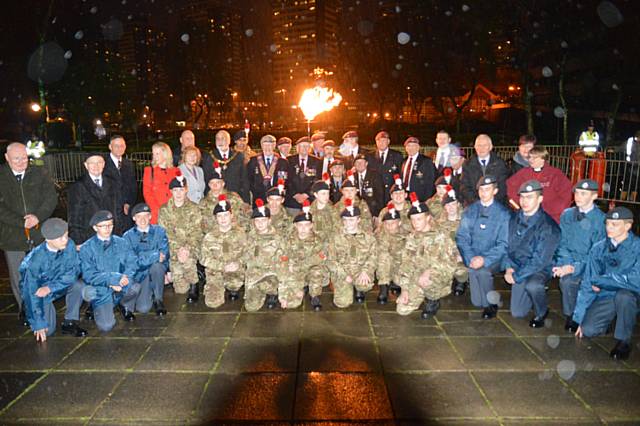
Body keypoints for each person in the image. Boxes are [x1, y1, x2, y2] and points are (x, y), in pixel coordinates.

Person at [0, 142, 57, 324]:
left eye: (24, 157)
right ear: (7, 158)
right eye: (16, 158)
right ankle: (25, 308)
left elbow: (51, 198)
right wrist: (21, 222)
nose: (21, 161)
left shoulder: (39, 173)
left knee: (41, 271)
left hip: (37, 231)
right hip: (12, 234)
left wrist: (37, 217)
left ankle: (42, 306)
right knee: (18, 274)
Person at [573, 207, 640, 360]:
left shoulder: (637, 247)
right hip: (607, 295)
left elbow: (635, 281)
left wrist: (603, 281)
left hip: (633, 295)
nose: (609, 227)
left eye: (615, 224)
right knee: (588, 330)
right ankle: (612, 319)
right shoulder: (599, 248)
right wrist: (580, 318)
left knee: (624, 297)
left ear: (627, 226)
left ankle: (624, 341)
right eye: (608, 223)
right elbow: (588, 283)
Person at [502, 180, 560, 327]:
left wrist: (516, 276)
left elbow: (540, 260)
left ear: (540, 199)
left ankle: (542, 311)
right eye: (522, 197)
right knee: (517, 312)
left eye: (529, 197)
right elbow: (507, 244)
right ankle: (528, 292)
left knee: (533, 286)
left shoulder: (548, 226)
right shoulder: (514, 218)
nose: (524, 201)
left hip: (539, 269)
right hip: (517, 265)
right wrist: (509, 266)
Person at [19, 218, 87, 342]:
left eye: (66, 235)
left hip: (55, 286)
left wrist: (51, 287)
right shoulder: (35, 261)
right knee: (48, 330)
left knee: (79, 285)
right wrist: (38, 323)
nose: (65, 240)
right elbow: (30, 291)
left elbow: (74, 272)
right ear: (48, 240)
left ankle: (70, 322)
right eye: (60, 238)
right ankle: (26, 309)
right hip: (40, 292)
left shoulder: (69, 245)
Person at [553, 179, 606, 332]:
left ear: (594, 196)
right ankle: (571, 315)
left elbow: (596, 255)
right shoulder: (567, 214)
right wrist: (566, 264)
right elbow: (561, 243)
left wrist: (574, 268)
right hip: (570, 261)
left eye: (583, 193)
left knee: (584, 283)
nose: (578, 196)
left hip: (591, 265)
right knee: (567, 282)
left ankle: (587, 314)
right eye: (576, 192)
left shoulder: (601, 220)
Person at [456, 176, 510, 319]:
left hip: (493, 258)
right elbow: (462, 237)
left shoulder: (503, 214)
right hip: (473, 257)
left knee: (483, 272)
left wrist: (484, 259)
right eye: (481, 189)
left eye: (487, 189)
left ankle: (492, 304)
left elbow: (504, 244)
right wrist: (470, 257)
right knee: (476, 302)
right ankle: (488, 298)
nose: (484, 193)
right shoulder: (470, 210)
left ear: (495, 191)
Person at [80, 210, 141, 332]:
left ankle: (123, 305)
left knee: (135, 287)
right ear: (95, 228)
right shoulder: (87, 247)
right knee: (106, 326)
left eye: (110, 225)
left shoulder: (121, 242)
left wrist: (125, 277)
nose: (108, 229)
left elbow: (132, 262)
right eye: (103, 226)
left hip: (122, 284)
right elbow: (89, 275)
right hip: (101, 289)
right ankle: (95, 306)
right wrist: (113, 280)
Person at [396, 195, 457, 318]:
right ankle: (420, 292)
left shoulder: (441, 235)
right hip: (417, 276)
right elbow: (406, 263)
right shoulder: (412, 237)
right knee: (402, 309)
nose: (415, 223)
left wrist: (429, 272)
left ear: (428, 218)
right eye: (413, 220)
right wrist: (405, 290)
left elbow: (450, 263)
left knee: (428, 282)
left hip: (437, 275)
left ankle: (433, 299)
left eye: (419, 219)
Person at [158, 175, 202, 303]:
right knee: (181, 290)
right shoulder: (164, 209)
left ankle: (195, 284)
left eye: (181, 190)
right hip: (173, 249)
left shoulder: (194, 208)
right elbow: (164, 234)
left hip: (191, 247)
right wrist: (178, 250)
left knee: (187, 261)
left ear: (186, 190)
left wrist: (186, 249)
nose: (178, 193)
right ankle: (193, 272)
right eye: (175, 190)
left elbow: (196, 232)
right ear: (171, 191)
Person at [328, 198, 377, 308]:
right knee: (342, 303)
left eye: (352, 220)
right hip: (343, 273)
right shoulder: (335, 238)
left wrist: (365, 271)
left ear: (358, 220)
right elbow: (331, 260)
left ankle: (358, 288)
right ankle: (347, 287)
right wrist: (344, 275)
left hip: (360, 271)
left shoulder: (368, 237)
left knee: (365, 285)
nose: (348, 223)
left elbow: (373, 256)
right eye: (345, 220)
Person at [200, 195, 247, 308]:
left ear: (231, 215)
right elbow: (203, 258)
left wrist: (238, 263)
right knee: (212, 303)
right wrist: (222, 266)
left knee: (234, 285)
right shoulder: (210, 236)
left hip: (235, 270)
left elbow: (248, 253)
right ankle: (216, 288)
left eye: (226, 215)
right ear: (215, 218)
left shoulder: (240, 234)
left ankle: (231, 288)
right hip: (215, 272)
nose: (223, 219)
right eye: (219, 216)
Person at [280, 206, 330, 311]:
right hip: (294, 273)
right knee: (292, 304)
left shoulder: (318, 240)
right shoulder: (288, 241)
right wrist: (283, 297)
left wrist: (298, 266)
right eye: (300, 225)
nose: (303, 228)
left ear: (311, 225)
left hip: (309, 270)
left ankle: (315, 295)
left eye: (307, 225)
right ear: (295, 226)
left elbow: (318, 259)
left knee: (316, 270)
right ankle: (301, 288)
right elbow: (284, 261)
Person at [123, 203, 169, 316]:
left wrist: (143, 256)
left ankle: (158, 299)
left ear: (150, 216)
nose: (142, 219)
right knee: (143, 308)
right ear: (134, 218)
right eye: (139, 216)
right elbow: (132, 262)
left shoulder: (160, 231)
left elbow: (164, 256)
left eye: (146, 215)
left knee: (157, 266)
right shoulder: (127, 236)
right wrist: (154, 255)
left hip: (155, 272)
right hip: (139, 275)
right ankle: (147, 293)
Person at [506, 145, 572, 223]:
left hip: (550, 218)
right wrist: (521, 204)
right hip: (527, 216)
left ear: (543, 159)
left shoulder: (555, 174)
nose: (531, 160)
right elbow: (510, 186)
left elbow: (566, 197)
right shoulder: (523, 173)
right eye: (530, 157)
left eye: (534, 158)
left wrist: (545, 209)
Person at [242, 199, 286, 311]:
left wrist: (284, 294)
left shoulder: (278, 238)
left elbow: (284, 263)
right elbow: (244, 257)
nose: (260, 223)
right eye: (257, 221)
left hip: (272, 275)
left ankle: (273, 293)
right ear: (253, 222)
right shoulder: (249, 237)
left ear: (269, 220)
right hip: (255, 275)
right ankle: (260, 290)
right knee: (251, 307)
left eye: (263, 220)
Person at [68, 154, 122, 244]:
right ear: (86, 165)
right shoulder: (78, 186)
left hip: (111, 234)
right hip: (89, 237)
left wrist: (119, 234)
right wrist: (77, 241)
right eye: (92, 163)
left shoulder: (113, 183)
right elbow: (75, 217)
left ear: (104, 164)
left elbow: (118, 210)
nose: (96, 166)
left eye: (99, 162)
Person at [460, 134, 510, 207]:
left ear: (490, 147)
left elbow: (503, 187)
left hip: (496, 204)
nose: (481, 148)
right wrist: (478, 203)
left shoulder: (500, 164)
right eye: (479, 145)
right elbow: (464, 187)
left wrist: (490, 203)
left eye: (485, 145)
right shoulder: (467, 164)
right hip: (474, 204)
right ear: (475, 147)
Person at [199, 165, 251, 233]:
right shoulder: (203, 202)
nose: (215, 185)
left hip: (234, 234)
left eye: (218, 182)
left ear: (223, 183)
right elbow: (200, 223)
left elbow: (247, 213)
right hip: (213, 237)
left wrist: (242, 229)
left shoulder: (234, 197)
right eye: (212, 183)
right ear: (209, 185)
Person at [436, 190, 469, 296]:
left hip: (461, 256)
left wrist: (461, 254)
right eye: (447, 205)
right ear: (444, 207)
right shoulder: (438, 223)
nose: (450, 207)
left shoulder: (466, 221)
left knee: (461, 272)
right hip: (444, 256)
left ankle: (461, 281)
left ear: (458, 204)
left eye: (453, 204)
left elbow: (472, 242)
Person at [375, 202, 409, 304]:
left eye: (393, 223)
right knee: (383, 256)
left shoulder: (407, 236)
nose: (389, 226)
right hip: (384, 269)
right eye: (387, 223)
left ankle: (397, 284)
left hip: (400, 269)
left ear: (399, 223)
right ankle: (383, 288)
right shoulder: (378, 235)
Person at [103, 135, 137, 231]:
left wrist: (128, 203)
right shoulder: (103, 164)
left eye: (122, 145)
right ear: (110, 147)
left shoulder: (129, 164)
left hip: (126, 211)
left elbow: (133, 187)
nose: (119, 148)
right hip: (109, 209)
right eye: (116, 145)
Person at [143, 142, 179, 224]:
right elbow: (147, 193)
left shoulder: (176, 171)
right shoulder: (149, 171)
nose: (154, 157)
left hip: (173, 212)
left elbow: (180, 190)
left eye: (157, 153)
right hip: (156, 214)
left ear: (165, 154)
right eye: (153, 154)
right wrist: (158, 210)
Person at [285, 136, 322, 215]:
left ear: (310, 148)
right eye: (302, 146)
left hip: (310, 201)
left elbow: (317, 180)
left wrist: (306, 194)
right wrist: (295, 194)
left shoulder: (317, 161)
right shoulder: (288, 160)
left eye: (307, 146)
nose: (304, 148)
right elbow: (286, 180)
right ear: (297, 148)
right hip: (292, 201)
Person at [211, 130, 250, 203]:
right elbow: (207, 179)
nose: (220, 141)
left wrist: (246, 201)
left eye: (223, 138)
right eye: (217, 139)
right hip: (217, 200)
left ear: (229, 141)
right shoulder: (209, 157)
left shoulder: (238, 156)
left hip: (236, 199)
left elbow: (244, 180)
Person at [247, 134, 289, 203]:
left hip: (276, 199)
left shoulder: (283, 162)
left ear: (274, 146)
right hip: (259, 198)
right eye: (265, 145)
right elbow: (249, 179)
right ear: (261, 146)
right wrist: (254, 191)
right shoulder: (253, 161)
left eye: (270, 145)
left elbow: (285, 180)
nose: (267, 148)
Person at [366, 131, 404, 206]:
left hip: (391, 193)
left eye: (384, 140)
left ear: (388, 141)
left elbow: (401, 173)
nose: (381, 143)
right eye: (379, 140)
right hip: (376, 194)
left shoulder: (397, 155)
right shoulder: (370, 156)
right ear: (376, 142)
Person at [400, 136, 436, 202]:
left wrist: (427, 199)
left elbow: (431, 181)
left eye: (414, 146)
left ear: (418, 147)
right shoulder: (404, 161)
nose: (411, 148)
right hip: (405, 196)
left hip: (420, 197)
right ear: (405, 148)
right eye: (409, 146)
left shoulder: (426, 161)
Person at [353, 154, 385, 220]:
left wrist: (377, 214)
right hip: (356, 213)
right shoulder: (352, 177)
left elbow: (380, 196)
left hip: (372, 212)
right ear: (354, 165)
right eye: (357, 162)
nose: (359, 164)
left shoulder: (375, 175)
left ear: (366, 163)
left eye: (362, 162)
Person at [309, 178, 337, 242]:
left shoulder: (334, 211)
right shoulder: (309, 211)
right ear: (316, 194)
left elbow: (337, 231)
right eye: (323, 193)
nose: (326, 196)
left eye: (328, 193)